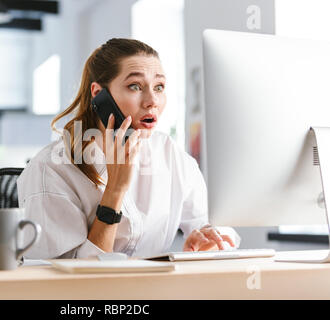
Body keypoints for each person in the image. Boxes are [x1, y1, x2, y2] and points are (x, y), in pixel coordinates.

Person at [17, 38, 240, 259]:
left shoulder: (168, 153)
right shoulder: (51, 169)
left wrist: (207, 239)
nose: (152, 101)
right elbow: (71, 277)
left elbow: (212, 226)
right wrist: (115, 190)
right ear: (99, 95)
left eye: (159, 87)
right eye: (135, 86)